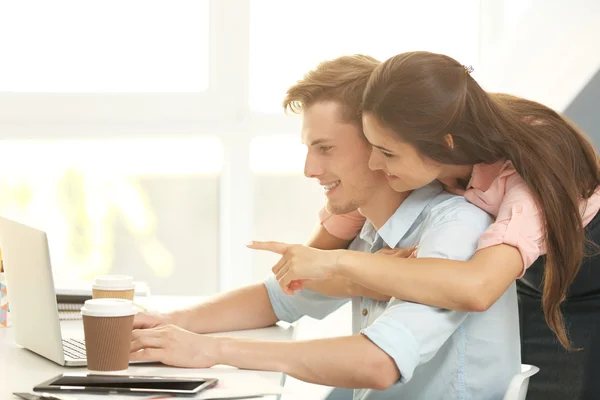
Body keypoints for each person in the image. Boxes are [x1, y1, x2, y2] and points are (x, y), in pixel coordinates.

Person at [131, 55, 520, 399]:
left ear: (379, 141)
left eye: (326, 148)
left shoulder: (454, 227)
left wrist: (211, 352)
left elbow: (378, 364)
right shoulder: (368, 228)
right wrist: (168, 323)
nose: (309, 170)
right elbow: (278, 298)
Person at [249, 51, 600, 400]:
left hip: (585, 283)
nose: (374, 162)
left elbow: (477, 288)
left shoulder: (527, 179)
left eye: (387, 153)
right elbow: (308, 265)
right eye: (372, 147)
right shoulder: (434, 137)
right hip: (523, 271)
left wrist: (345, 264)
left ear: (441, 146)